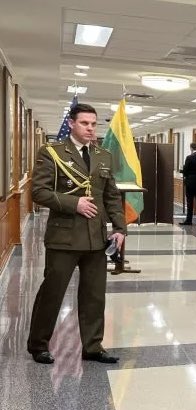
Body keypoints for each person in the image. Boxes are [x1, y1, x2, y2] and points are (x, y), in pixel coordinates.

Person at [27, 103, 126, 365]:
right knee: (53, 291)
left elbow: (111, 196)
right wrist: (75, 204)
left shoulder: (103, 155)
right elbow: (39, 191)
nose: (90, 128)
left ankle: (93, 346)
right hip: (64, 237)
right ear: (71, 123)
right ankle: (38, 344)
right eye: (84, 123)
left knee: (94, 295)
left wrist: (119, 228)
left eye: (94, 124)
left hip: (96, 237)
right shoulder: (52, 153)